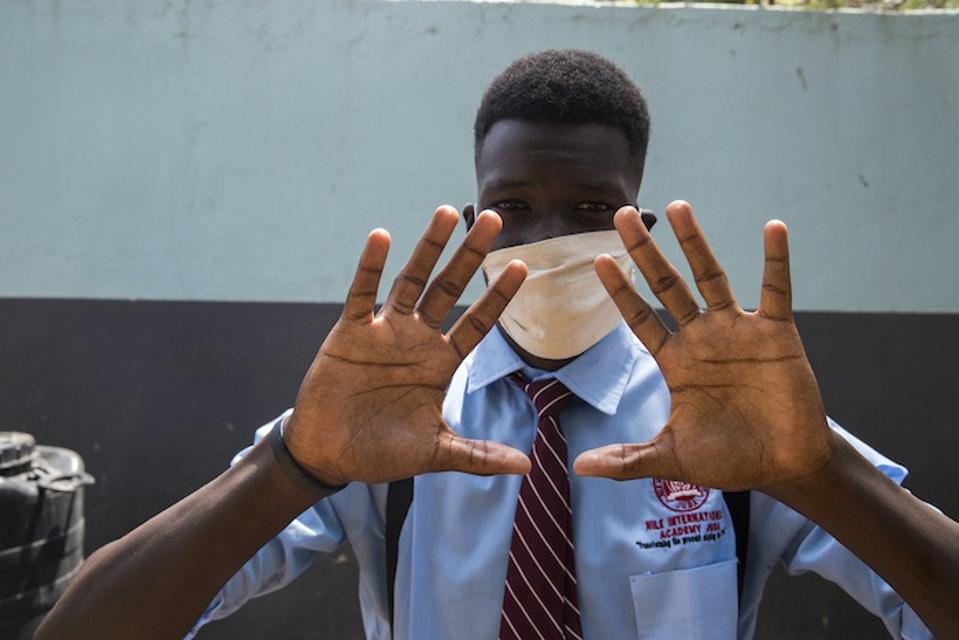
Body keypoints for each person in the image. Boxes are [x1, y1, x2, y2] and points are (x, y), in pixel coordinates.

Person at [36, 50, 959, 640]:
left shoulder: (736, 426)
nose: (544, 239)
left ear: (635, 212)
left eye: (591, 209)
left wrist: (815, 473)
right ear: (475, 213)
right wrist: (292, 465)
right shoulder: (380, 425)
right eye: (512, 208)